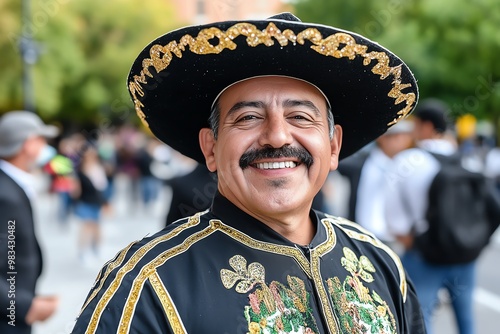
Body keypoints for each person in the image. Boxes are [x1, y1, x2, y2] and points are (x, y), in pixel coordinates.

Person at [72, 13, 425, 333]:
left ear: (333, 146)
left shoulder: (379, 262)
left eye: (300, 116)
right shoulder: (147, 285)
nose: (277, 136)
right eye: (248, 118)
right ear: (211, 148)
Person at [384, 99, 475, 334]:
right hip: (464, 253)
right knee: (466, 319)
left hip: (425, 253)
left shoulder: (408, 161)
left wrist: (411, 241)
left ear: (425, 126)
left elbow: (393, 215)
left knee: (420, 319)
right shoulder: (468, 160)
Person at [0, 111, 60, 334]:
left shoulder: (11, 185)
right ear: (28, 144)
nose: (45, 146)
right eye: (41, 139)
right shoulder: (5, 194)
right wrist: (23, 306)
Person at [337, 120, 415, 252]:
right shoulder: (361, 164)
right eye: (396, 136)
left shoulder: (411, 167)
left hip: (396, 240)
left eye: (405, 136)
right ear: (382, 138)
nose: (401, 142)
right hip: (361, 236)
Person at [73, 143, 109, 266]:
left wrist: (105, 203)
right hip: (85, 201)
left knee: (96, 227)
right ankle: (83, 252)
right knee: (87, 227)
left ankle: (96, 249)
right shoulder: (79, 171)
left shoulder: (97, 168)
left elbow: (102, 187)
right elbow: (75, 191)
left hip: (96, 202)